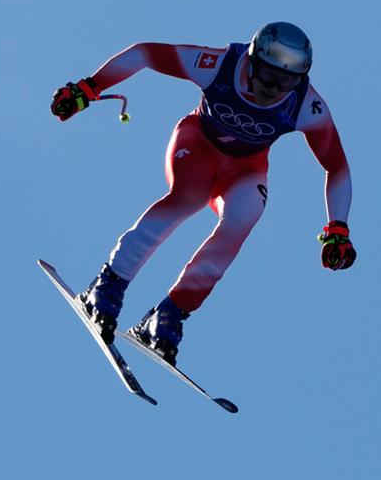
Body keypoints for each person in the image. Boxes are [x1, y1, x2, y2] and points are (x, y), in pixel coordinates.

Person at [50, 22, 355, 365]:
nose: (275, 89)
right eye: (269, 77)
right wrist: (88, 88)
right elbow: (145, 53)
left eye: (286, 81)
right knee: (190, 196)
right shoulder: (221, 65)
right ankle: (108, 285)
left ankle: (168, 315)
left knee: (245, 214)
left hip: (245, 168)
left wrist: (338, 229)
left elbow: (337, 167)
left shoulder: (305, 105)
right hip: (198, 144)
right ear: (252, 63)